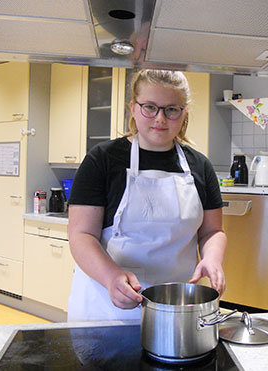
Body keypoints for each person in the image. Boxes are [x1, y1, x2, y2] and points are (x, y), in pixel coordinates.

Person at [67, 69, 227, 321]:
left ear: (184, 112)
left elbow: (212, 231)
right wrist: (110, 276)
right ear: (133, 108)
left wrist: (213, 258)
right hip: (106, 305)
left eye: (172, 109)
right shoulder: (102, 160)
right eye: (150, 107)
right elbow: (81, 235)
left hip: (174, 307)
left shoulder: (200, 166)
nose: (160, 119)